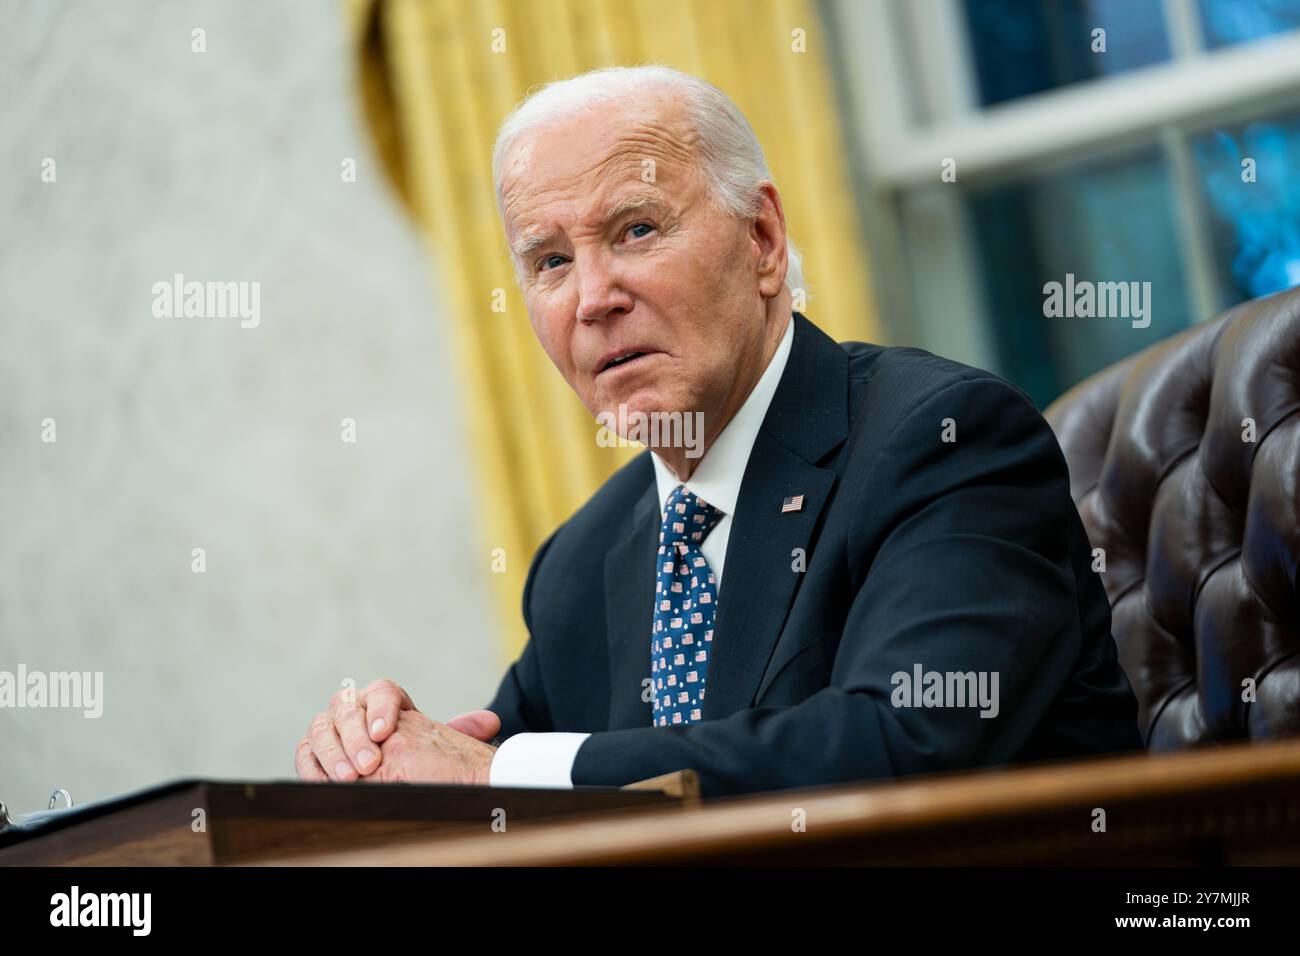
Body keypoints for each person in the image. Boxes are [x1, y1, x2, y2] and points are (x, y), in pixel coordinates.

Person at [294, 65, 1142, 798]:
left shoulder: (945, 441)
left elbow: (906, 748)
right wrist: (380, 759)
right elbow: (496, 781)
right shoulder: (581, 565)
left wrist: (496, 776)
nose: (592, 298)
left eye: (635, 230)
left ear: (763, 240)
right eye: (549, 261)